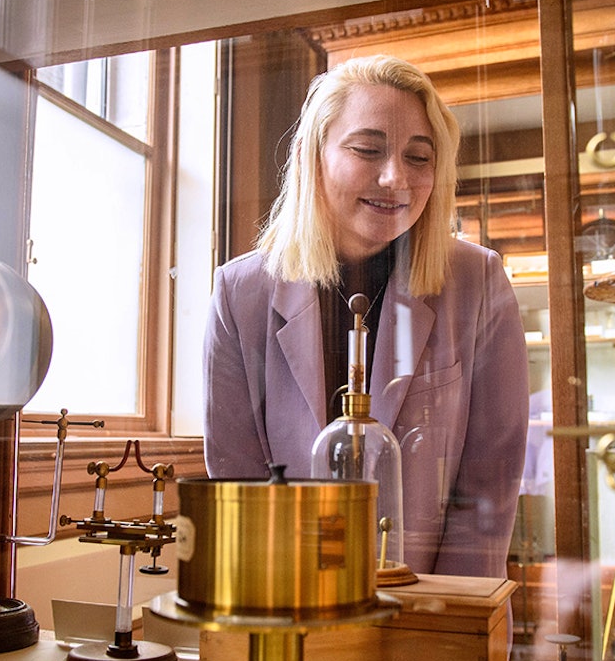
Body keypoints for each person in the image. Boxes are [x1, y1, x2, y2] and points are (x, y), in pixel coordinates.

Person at [202, 55, 529, 578]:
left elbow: (490, 482)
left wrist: (444, 614)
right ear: (313, 155)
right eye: (367, 150)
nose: (395, 177)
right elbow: (236, 479)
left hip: (436, 600)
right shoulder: (240, 293)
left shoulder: (478, 280)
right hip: (289, 598)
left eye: (418, 157)